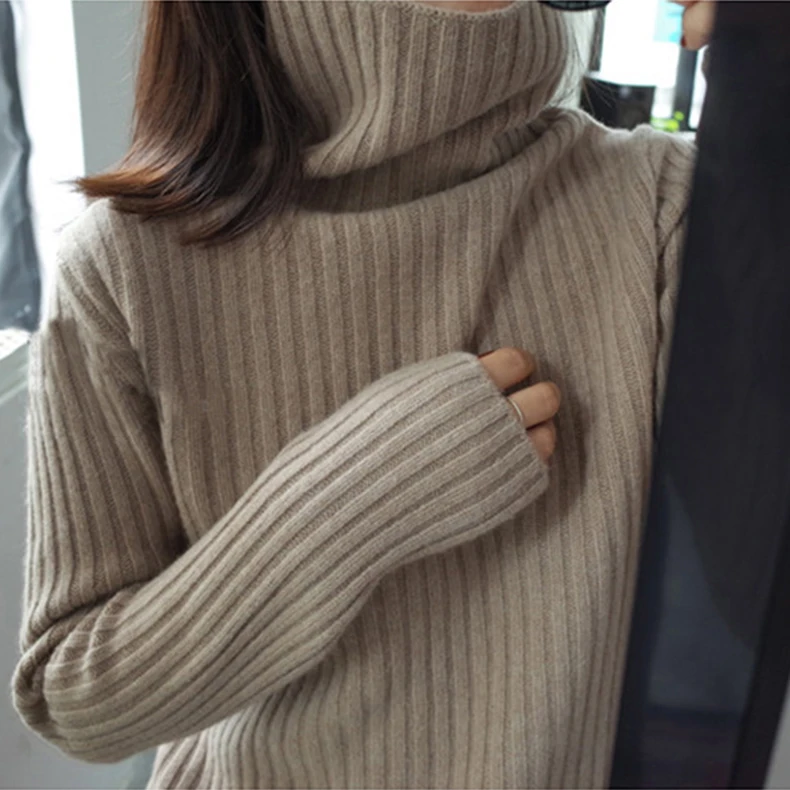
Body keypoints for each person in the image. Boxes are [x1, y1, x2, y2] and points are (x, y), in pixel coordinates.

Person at [12, 1, 715, 787]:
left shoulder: (663, 206)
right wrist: (354, 497)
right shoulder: (122, 268)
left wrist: (768, 83)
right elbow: (78, 699)